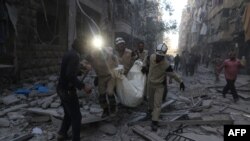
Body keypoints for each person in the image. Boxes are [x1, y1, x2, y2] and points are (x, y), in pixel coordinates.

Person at [141, 43, 185, 131]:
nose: (159, 58)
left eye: (161, 56)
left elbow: (173, 74)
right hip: (150, 84)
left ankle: (154, 121)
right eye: (158, 55)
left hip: (159, 86)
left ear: (164, 55)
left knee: (157, 104)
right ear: (156, 53)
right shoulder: (151, 57)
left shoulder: (166, 65)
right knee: (150, 100)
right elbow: (145, 59)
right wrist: (144, 66)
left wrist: (181, 82)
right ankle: (150, 112)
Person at [57, 39, 92, 141]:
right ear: (80, 45)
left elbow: (70, 71)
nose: (86, 48)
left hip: (61, 89)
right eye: (85, 45)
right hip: (68, 91)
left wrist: (82, 69)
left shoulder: (70, 53)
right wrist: (83, 86)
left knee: (68, 114)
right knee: (77, 117)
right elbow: (69, 75)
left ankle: (62, 133)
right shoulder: (75, 56)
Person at [85, 46, 118, 117]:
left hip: (110, 76)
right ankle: (105, 110)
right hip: (101, 77)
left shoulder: (108, 54)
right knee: (102, 95)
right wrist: (84, 65)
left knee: (110, 92)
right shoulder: (92, 57)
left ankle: (113, 109)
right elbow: (85, 62)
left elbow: (115, 61)